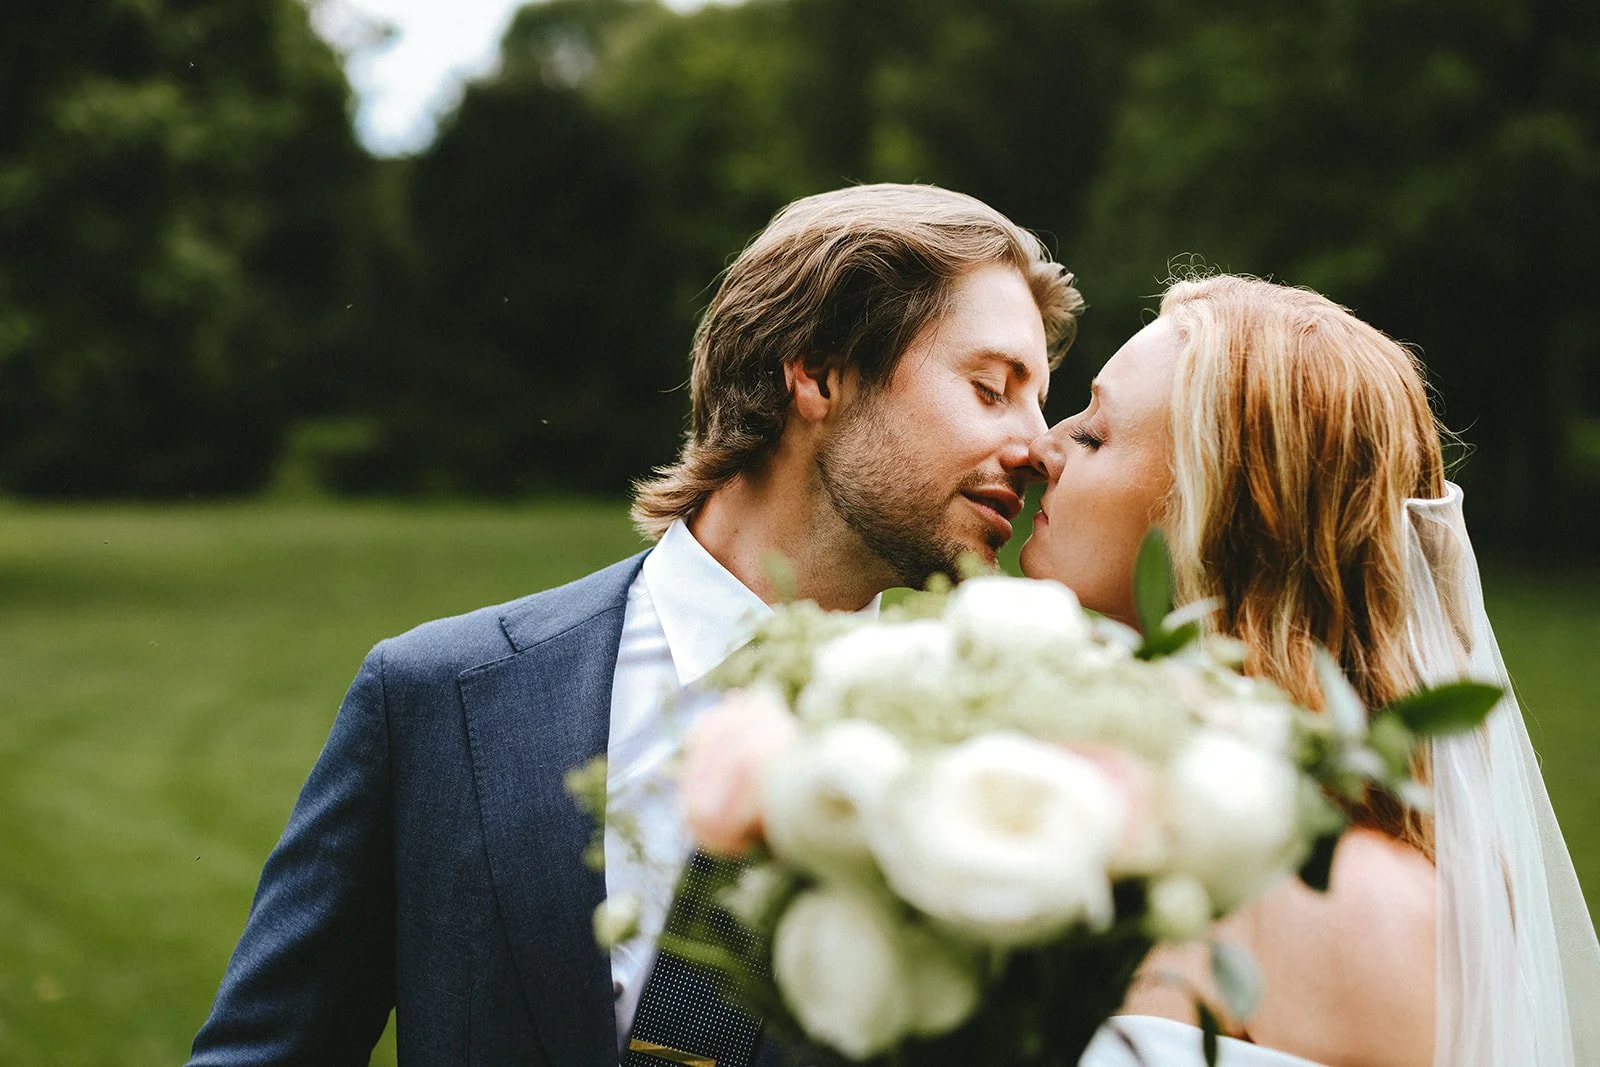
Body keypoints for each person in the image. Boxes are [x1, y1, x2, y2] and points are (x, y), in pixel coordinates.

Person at [186, 183, 1082, 1066]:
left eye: (1040, 401)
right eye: (991, 388)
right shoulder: (431, 699)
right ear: (818, 372)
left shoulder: (1002, 765)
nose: (1039, 446)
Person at [1023, 275, 1600, 1067]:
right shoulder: (1079, 790)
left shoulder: (1358, 904)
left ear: (1220, 520)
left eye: (1093, 435)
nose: (1041, 448)